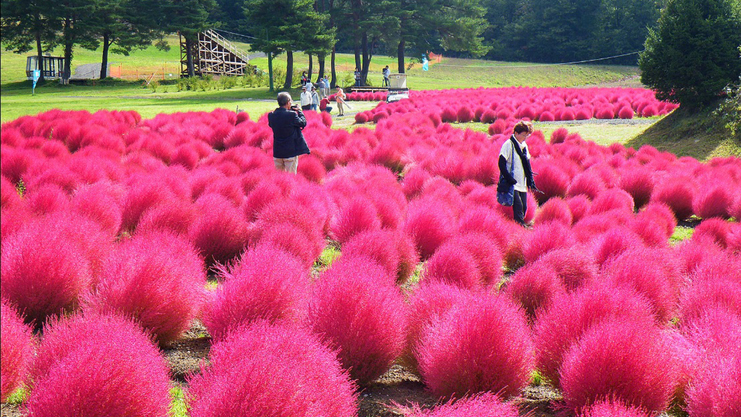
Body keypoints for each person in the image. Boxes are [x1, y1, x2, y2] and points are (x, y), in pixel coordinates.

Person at [498, 120, 539, 228]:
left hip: (522, 183)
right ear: (516, 133)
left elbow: (527, 164)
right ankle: (520, 229)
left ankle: (517, 226)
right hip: (512, 183)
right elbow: (501, 163)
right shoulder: (508, 145)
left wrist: (530, 180)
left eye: (527, 135)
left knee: (524, 208)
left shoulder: (524, 146)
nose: (525, 138)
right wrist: (509, 178)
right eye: (524, 135)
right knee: (518, 208)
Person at [268, 92, 310, 174]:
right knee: (290, 178)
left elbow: (273, 124)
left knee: (279, 178)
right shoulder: (292, 115)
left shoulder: (271, 115)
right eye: (290, 101)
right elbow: (303, 123)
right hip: (290, 152)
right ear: (287, 102)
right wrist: (299, 111)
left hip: (277, 152)